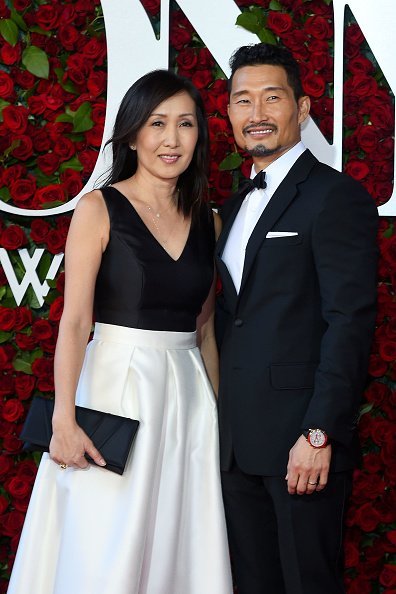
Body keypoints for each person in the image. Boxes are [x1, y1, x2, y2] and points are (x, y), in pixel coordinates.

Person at [8, 69, 233, 594]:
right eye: (157, 123)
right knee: (104, 539)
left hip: (186, 400)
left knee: (180, 544)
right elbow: (75, 323)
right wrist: (64, 417)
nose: (172, 139)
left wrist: (218, 419)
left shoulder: (210, 221)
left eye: (185, 124)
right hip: (116, 388)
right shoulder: (97, 208)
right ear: (132, 134)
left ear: (200, 134)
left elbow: (204, 332)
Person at [215, 43, 378, 594]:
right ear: (230, 113)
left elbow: (349, 322)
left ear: (302, 109)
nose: (256, 112)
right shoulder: (234, 207)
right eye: (243, 100)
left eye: (271, 97)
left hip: (300, 444)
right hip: (235, 444)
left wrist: (318, 432)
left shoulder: (336, 198)